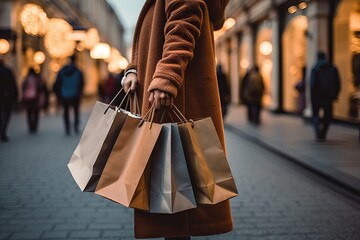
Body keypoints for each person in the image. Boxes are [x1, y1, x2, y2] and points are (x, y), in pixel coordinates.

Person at [121, 0, 233, 239]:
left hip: (174, 98)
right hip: (166, 95)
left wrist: (166, 76)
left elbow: (184, 20)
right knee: (173, 195)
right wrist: (133, 69)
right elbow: (152, 37)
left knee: (175, 198)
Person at [310, 51, 341, 141]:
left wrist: (312, 98)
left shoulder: (315, 69)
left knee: (315, 114)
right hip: (329, 96)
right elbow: (338, 83)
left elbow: (312, 85)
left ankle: (318, 133)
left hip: (317, 96)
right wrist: (335, 94)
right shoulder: (333, 68)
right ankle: (323, 133)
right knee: (328, 115)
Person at [53, 55, 84, 135]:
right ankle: (75, 126)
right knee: (76, 111)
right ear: (76, 60)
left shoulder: (62, 71)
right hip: (75, 94)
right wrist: (80, 91)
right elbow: (81, 83)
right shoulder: (78, 71)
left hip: (65, 94)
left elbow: (57, 83)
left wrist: (59, 94)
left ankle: (67, 128)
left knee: (66, 111)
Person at [22, 68, 46, 134]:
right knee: (36, 113)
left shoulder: (26, 79)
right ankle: (34, 127)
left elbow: (23, 88)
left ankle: (30, 127)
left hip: (27, 98)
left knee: (29, 112)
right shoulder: (37, 79)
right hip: (36, 98)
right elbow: (42, 87)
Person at [0, 55, 18, 142]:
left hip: (6, 96)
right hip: (7, 97)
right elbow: (13, 84)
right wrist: (15, 95)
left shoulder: (8, 71)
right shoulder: (8, 71)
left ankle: (2, 131)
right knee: (6, 115)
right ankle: (3, 132)